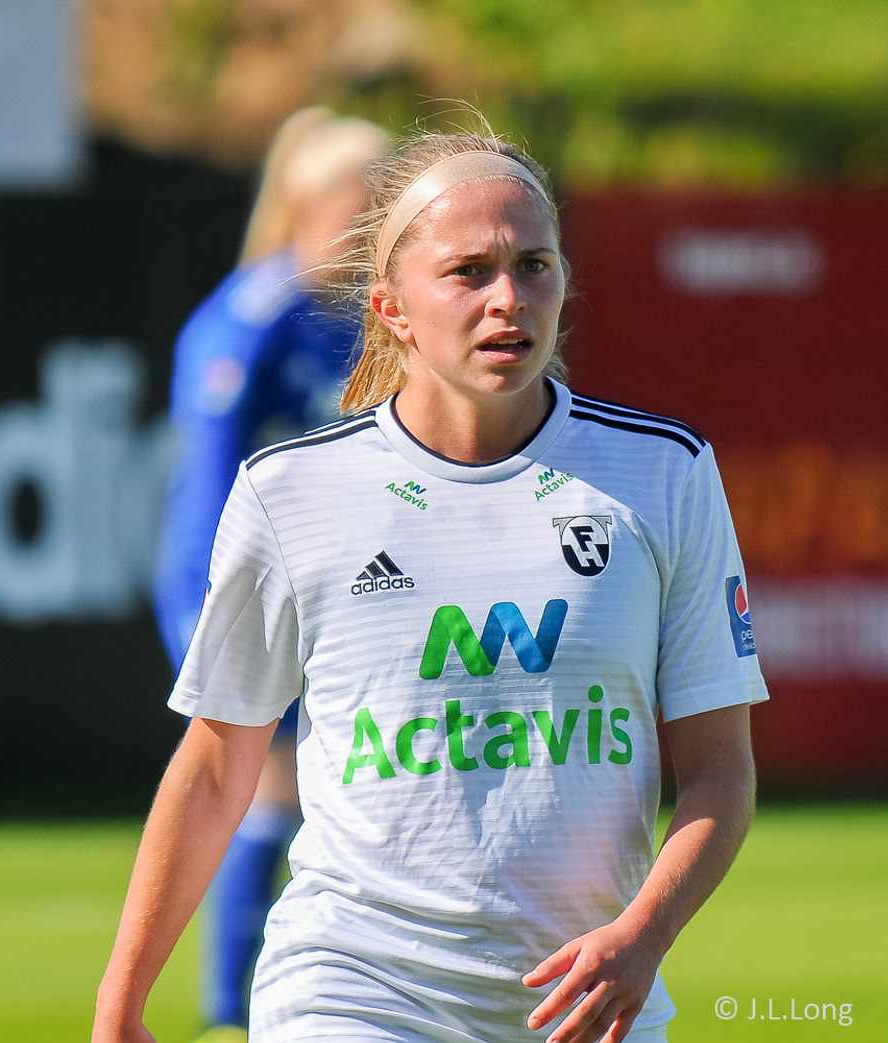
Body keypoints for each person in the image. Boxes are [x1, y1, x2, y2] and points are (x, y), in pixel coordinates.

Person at [95, 119, 768, 1043]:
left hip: (588, 1007)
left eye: (534, 265)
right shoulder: (290, 491)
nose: (509, 298)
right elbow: (215, 770)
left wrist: (643, 935)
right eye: (468, 271)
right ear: (391, 308)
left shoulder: (665, 473)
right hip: (348, 992)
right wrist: (121, 1002)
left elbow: (720, 767)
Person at [152, 107, 390, 1042]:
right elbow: (213, 486)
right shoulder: (252, 319)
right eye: (361, 211)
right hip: (238, 588)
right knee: (265, 783)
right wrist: (230, 604)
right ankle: (231, 1009)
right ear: (308, 205)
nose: (373, 232)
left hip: (340, 587)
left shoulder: (368, 318)